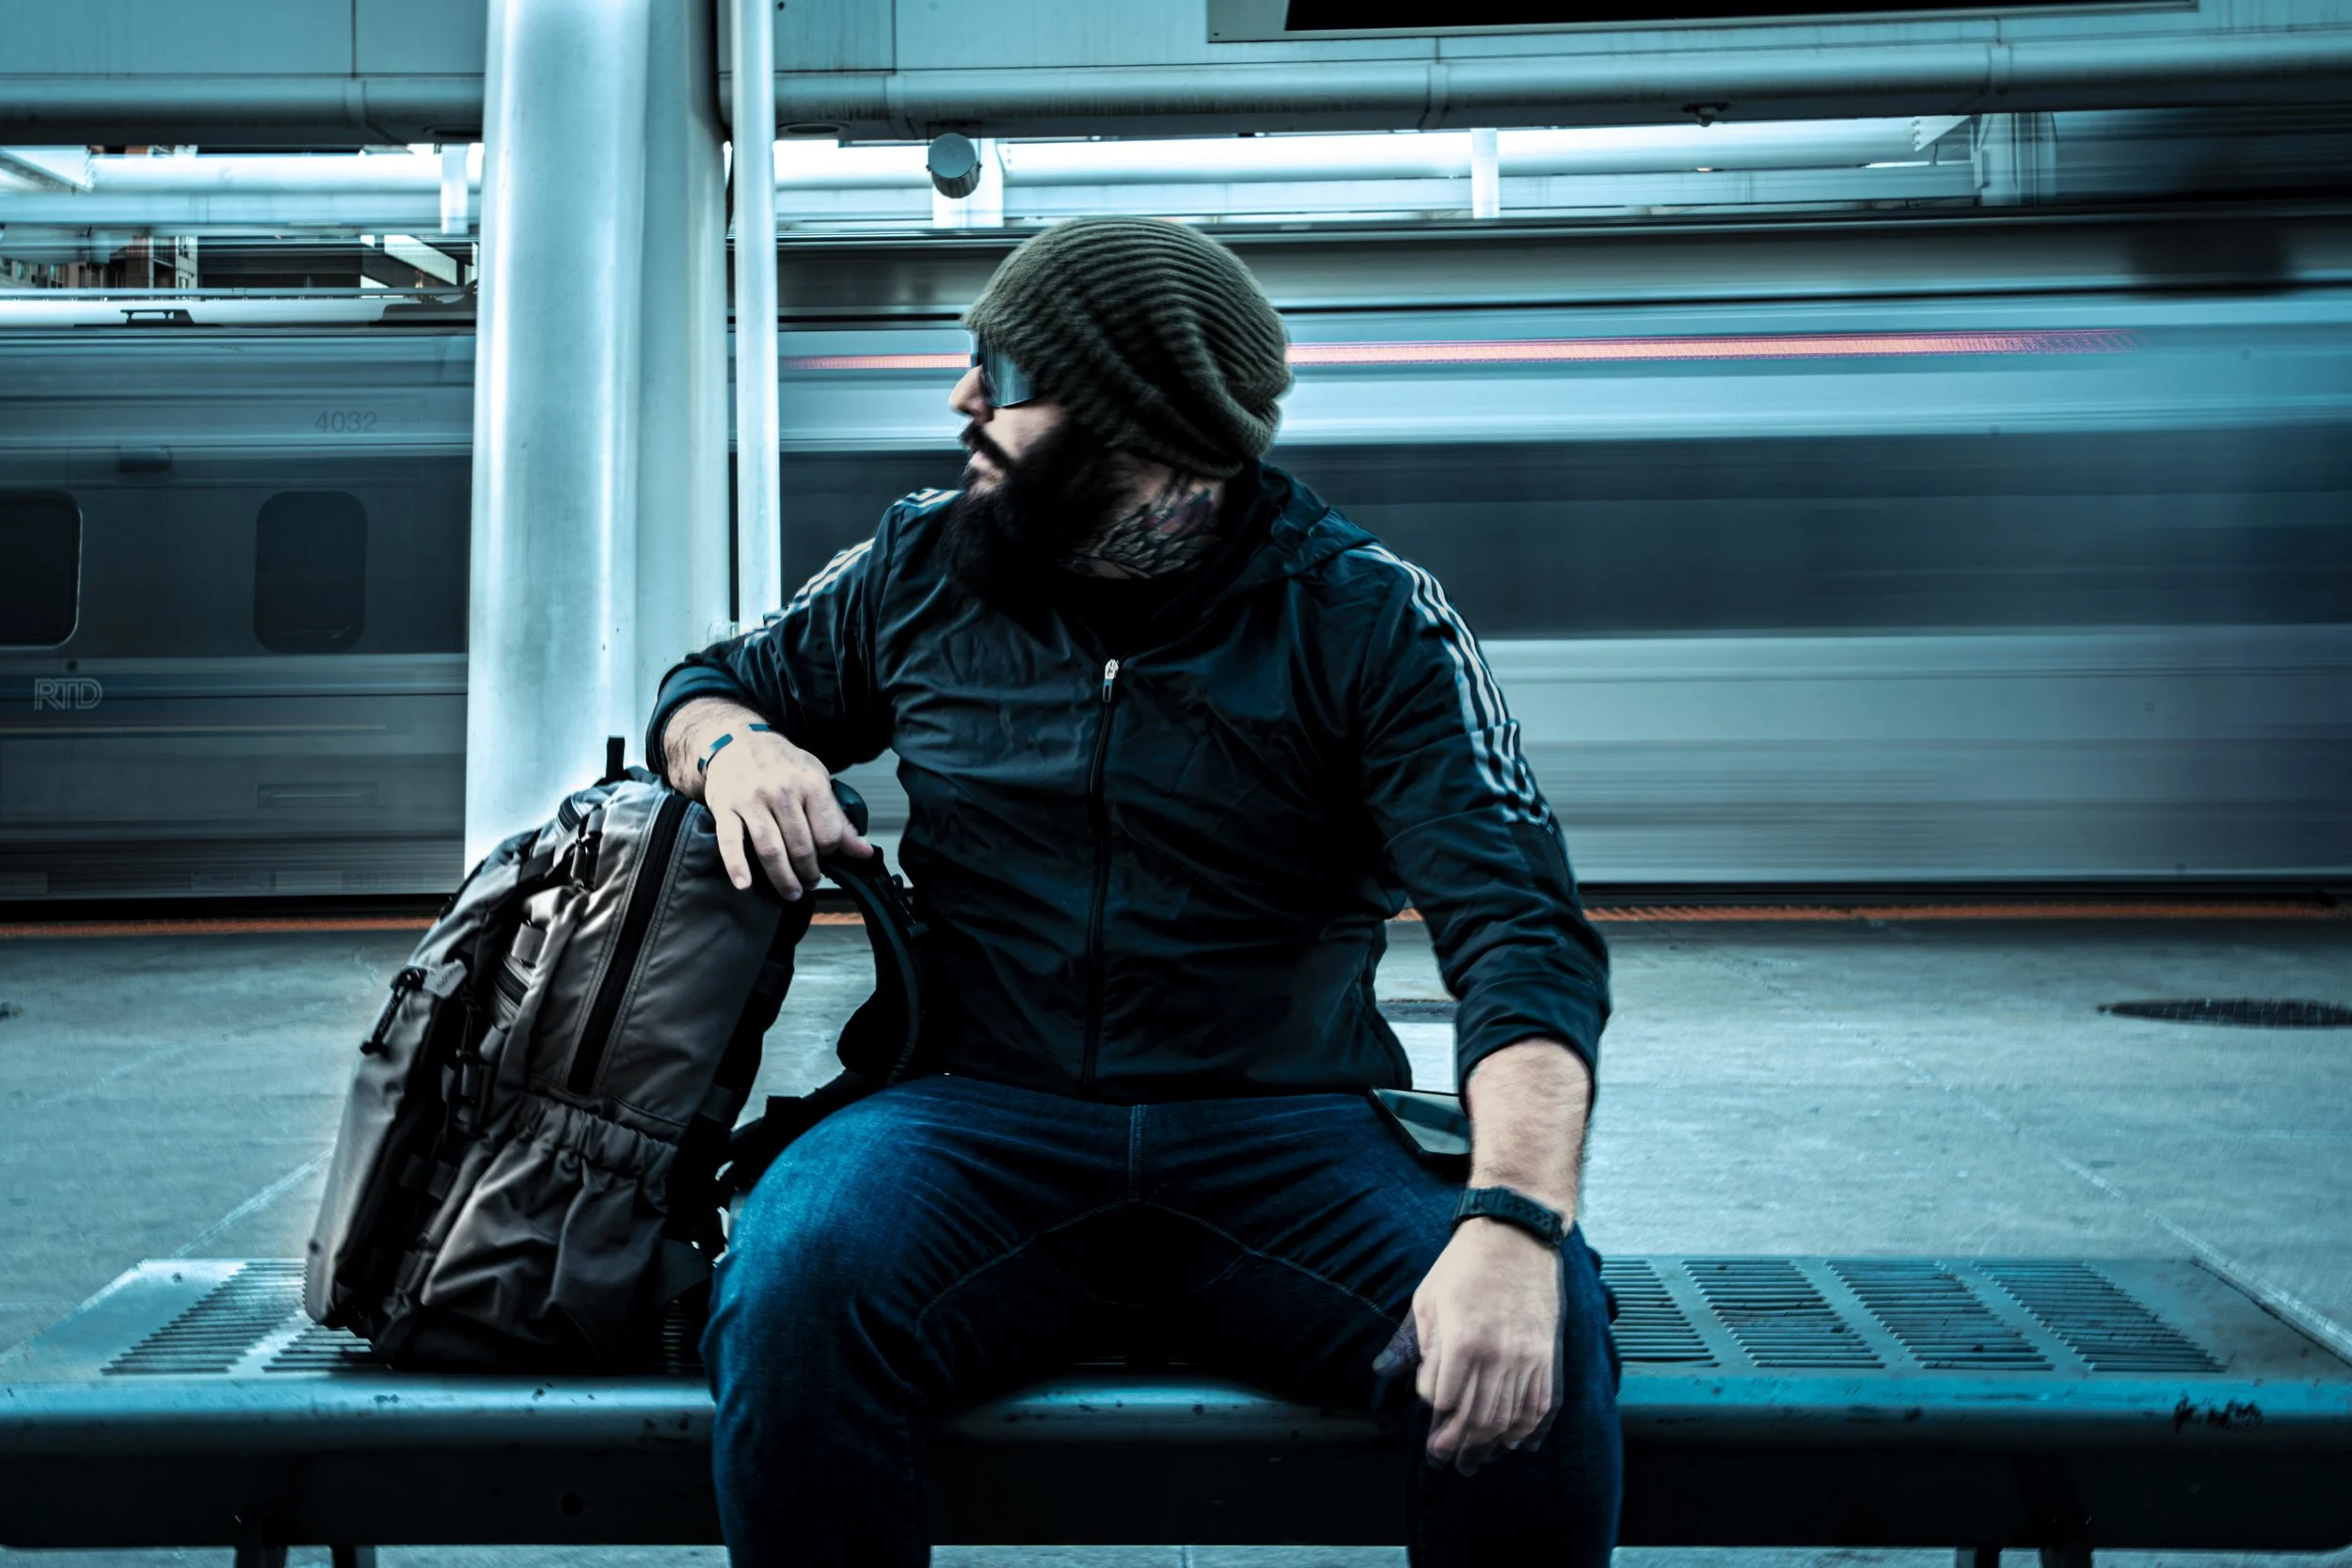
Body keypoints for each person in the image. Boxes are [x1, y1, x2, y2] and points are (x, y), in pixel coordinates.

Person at [645, 215, 1618, 1566]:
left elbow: (1523, 931)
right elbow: (703, 687)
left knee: (1542, 1324)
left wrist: (1514, 1221)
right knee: (796, 1280)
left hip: (1286, 1134)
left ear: (1143, 430)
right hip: (970, 1117)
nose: (961, 396)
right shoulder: (919, 566)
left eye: (1006, 369)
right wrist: (740, 749)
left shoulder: (1369, 618)